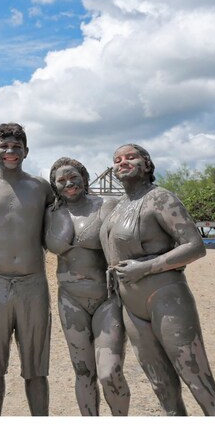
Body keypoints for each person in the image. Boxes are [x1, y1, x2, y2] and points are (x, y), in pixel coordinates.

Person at [100, 144, 215, 416]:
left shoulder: (161, 199)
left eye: (130, 157)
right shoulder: (116, 207)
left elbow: (195, 246)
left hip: (165, 298)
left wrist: (146, 267)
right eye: (117, 160)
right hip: (132, 307)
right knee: (162, 386)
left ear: (147, 164)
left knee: (199, 384)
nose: (122, 162)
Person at [0, 122, 54, 415]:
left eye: (16, 147)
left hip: (34, 284)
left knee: (36, 368)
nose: (10, 152)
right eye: (4, 146)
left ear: (26, 151)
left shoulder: (41, 187)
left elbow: (68, 217)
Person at [44, 157, 130, 415]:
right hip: (70, 300)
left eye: (74, 177)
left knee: (109, 372)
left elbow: (131, 237)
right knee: (83, 372)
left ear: (84, 177)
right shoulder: (50, 213)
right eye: (61, 180)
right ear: (54, 185)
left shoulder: (106, 205)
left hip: (107, 298)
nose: (69, 183)